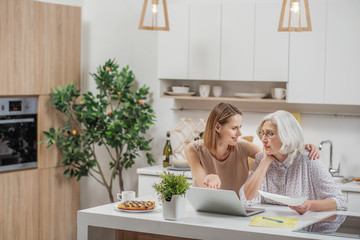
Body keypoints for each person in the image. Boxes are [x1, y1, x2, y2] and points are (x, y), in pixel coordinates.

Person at [184, 103, 319, 197]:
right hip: (206, 209)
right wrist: (210, 178)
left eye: (240, 127)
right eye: (234, 128)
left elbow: (276, 152)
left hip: (237, 210)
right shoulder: (193, 149)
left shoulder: (243, 147)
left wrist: (300, 147)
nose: (240, 133)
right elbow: (204, 184)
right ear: (218, 127)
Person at [239, 110, 347, 214]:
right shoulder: (261, 158)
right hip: (269, 223)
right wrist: (265, 162)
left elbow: (340, 201)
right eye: (263, 133)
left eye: (270, 134)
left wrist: (309, 205)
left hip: (302, 224)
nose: (263, 139)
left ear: (287, 136)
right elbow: (247, 199)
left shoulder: (308, 159)